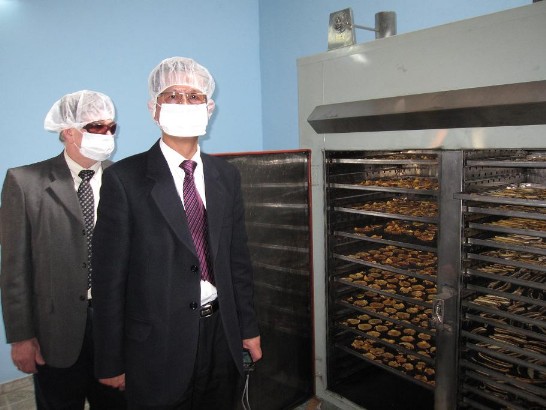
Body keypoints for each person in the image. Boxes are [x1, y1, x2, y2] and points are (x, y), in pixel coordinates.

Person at [91, 57, 262, 409]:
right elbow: (109, 279)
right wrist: (110, 359)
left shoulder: (226, 176)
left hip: (221, 333)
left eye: (194, 96)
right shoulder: (125, 179)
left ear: (209, 108)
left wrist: (248, 328)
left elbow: (237, 261)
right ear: (155, 109)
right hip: (157, 342)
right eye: (172, 95)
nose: (184, 103)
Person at [0, 90, 126, 409]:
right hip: (53, 333)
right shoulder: (24, 182)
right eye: (96, 126)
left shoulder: (125, 181)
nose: (107, 134)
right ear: (69, 131)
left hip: (114, 330)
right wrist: (21, 337)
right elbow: (14, 270)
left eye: (111, 127)